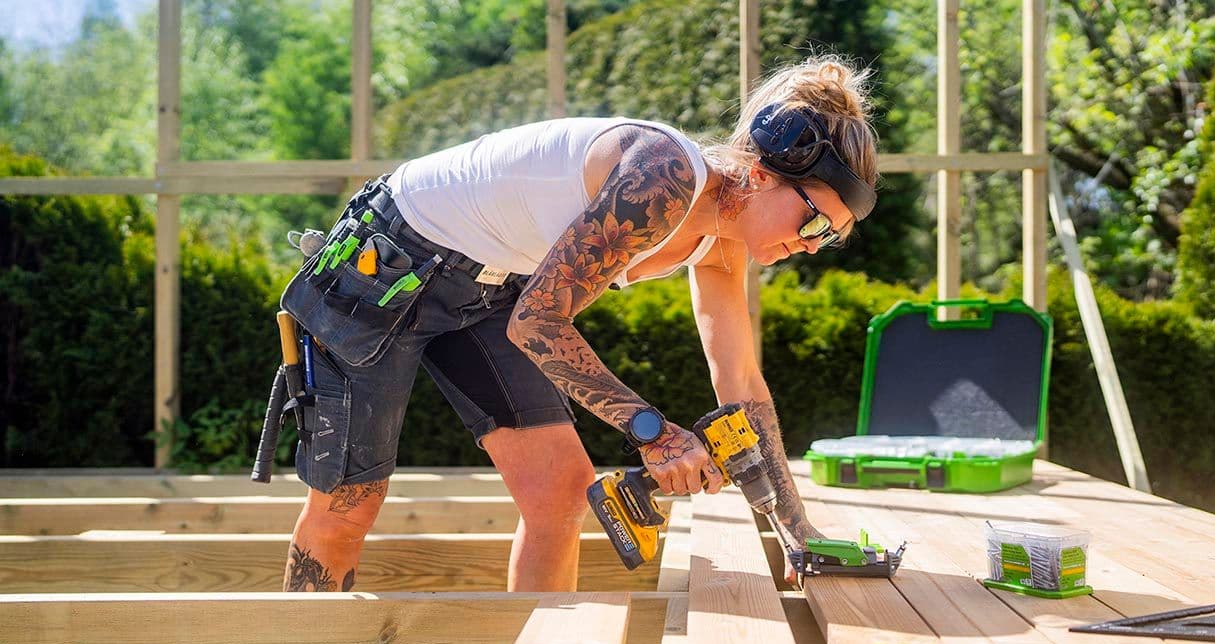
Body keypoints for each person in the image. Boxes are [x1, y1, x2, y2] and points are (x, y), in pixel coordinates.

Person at [280, 55, 879, 593]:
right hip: (386, 262)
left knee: (559, 494)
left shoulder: (722, 245)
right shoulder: (665, 175)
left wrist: (798, 533)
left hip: (489, 286)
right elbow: (540, 321)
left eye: (829, 239)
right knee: (347, 505)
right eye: (813, 222)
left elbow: (743, 386)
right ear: (763, 175)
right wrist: (653, 431)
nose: (812, 244)